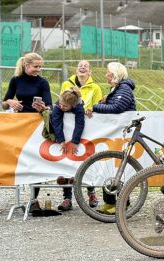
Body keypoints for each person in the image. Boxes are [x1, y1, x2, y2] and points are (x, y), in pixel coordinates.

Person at [2, 53, 53, 209]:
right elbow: (5, 103)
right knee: (22, 160)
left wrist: (43, 107)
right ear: (26, 65)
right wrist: (10, 102)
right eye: (35, 66)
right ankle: (25, 198)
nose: (38, 69)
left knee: (35, 162)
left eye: (40, 66)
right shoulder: (15, 80)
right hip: (20, 126)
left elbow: (50, 105)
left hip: (37, 126)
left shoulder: (43, 82)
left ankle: (33, 199)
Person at [92, 62, 137, 214]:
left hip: (123, 134)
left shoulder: (124, 88)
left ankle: (122, 203)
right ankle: (109, 201)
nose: (106, 75)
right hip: (115, 133)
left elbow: (117, 108)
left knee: (119, 168)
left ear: (114, 74)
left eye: (108, 72)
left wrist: (95, 107)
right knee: (110, 168)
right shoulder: (116, 89)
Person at [60, 60, 103, 207]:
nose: (82, 67)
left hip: (87, 127)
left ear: (90, 72)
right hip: (68, 126)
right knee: (67, 159)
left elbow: (99, 105)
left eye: (86, 66)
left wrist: (91, 108)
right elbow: (62, 102)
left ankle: (91, 193)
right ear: (76, 70)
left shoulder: (95, 87)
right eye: (80, 66)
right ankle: (67, 198)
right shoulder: (67, 84)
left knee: (86, 158)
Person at [49, 88, 87, 211]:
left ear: (73, 105)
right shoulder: (58, 105)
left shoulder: (79, 106)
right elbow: (56, 122)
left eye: (65, 106)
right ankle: (67, 196)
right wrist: (61, 140)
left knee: (85, 162)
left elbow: (80, 123)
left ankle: (91, 192)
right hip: (63, 140)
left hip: (84, 140)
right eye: (60, 104)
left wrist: (75, 141)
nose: (61, 106)